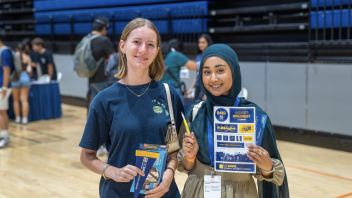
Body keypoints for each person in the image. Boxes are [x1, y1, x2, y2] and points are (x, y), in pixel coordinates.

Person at [79, 18, 183, 198]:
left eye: (150, 45)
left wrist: (169, 173)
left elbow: (174, 148)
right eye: (136, 42)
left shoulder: (169, 95)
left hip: (163, 192)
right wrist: (111, 171)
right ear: (122, 46)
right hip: (118, 193)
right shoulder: (104, 100)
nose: (143, 50)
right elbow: (87, 156)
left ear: (157, 51)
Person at [177, 44, 290, 198]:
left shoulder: (255, 116)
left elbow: (273, 174)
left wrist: (267, 166)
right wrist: (189, 157)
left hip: (241, 193)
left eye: (220, 70)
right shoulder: (195, 114)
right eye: (207, 72)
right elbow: (185, 166)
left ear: (234, 71)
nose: (213, 78)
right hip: (197, 191)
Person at [160, 39, 197, 105]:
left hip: (159, 90)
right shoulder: (176, 55)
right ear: (179, 50)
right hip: (173, 90)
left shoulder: (158, 55)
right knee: (178, 114)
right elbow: (194, 66)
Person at [88, 17, 115, 101]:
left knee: (96, 105)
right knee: (107, 104)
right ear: (104, 28)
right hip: (103, 79)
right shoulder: (104, 40)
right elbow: (114, 59)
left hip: (90, 78)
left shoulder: (87, 39)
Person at [186, 34, 213, 101]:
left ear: (208, 43)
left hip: (206, 85)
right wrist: (191, 88)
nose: (200, 44)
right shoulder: (198, 56)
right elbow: (197, 73)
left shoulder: (211, 56)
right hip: (198, 85)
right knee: (196, 105)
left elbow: (211, 74)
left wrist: (207, 93)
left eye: (203, 42)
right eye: (199, 42)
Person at [12, 43, 32, 124]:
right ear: (25, 49)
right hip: (25, 77)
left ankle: (17, 118)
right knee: (24, 100)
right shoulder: (27, 57)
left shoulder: (13, 56)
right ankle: (25, 119)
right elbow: (30, 71)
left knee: (16, 100)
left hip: (15, 77)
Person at [0, 35, 14, 148]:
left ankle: (4, 137)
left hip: (2, 87)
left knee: (1, 112)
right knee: (2, 111)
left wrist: (4, 88)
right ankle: (5, 136)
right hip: (2, 87)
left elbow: (6, 70)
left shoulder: (4, 52)